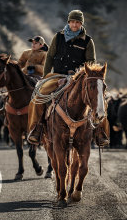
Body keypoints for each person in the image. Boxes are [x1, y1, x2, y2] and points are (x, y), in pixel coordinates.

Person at [27, 10, 110, 146]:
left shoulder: (88, 41)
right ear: (69, 22)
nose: (75, 24)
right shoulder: (58, 37)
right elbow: (50, 57)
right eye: (73, 21)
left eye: (78, 22)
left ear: (81, 24)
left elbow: (91, 63)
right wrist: (45, 76)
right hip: (57, 75)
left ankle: (100, 132)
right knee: (39, 96)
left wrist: (75, 75)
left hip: (79, 78)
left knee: (100, 99)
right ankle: (37, 128)